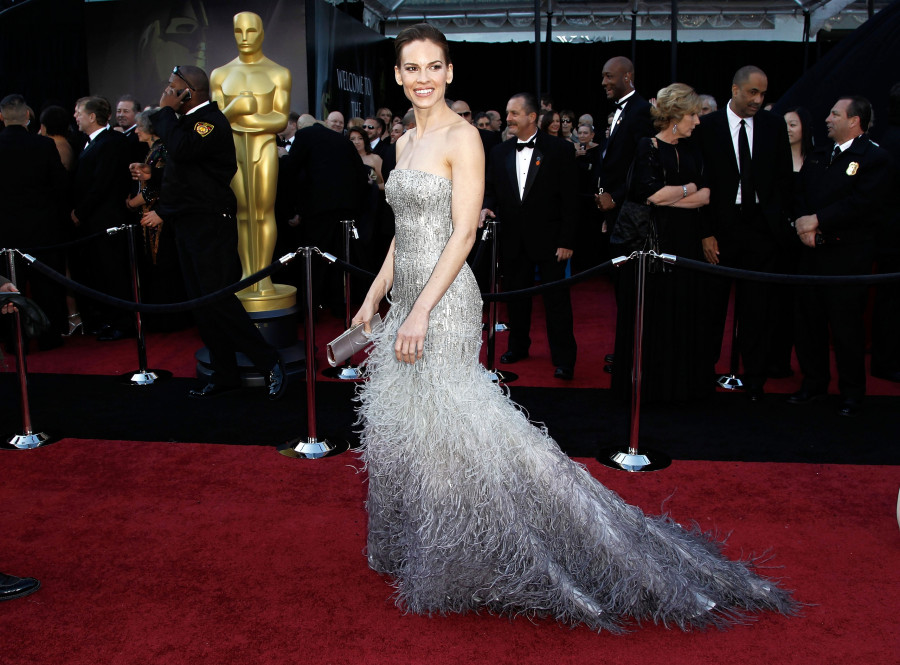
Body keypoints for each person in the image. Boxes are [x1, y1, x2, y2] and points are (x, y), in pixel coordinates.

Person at [350, 23, 795, 631]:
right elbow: (404, 233)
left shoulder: (465, 139)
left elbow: (460, 235)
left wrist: (424, 308)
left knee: (459, 420)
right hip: (406, 300)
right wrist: (374, 296)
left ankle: (496, 540)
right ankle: (431, 536)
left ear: (450, 72)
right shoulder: (403, 145)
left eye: (434, 67)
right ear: (398, 76)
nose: (423, 78)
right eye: (412, 68)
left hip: (446, 302)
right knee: (415, 424)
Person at [142, 65, 286, 400]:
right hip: (189, 224)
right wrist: (157, 190)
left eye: (172, 87)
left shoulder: (209, 122)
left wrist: (164, 109)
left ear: (188, 93)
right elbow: (185, 177)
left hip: (211, 225)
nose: (166, 92)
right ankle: (225, 375)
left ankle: (268, 361)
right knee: (202, 305)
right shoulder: (187, 124)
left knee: (218, 301)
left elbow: (181, 151)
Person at [695, 66, 794, 401]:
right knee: (710, 306)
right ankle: (703, 374)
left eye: (763, 94)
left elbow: (782, 179)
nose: (758, 100)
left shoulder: (773, 125)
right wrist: (706, 233)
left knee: (758, 307)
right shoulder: (707, 127)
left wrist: (777, 222)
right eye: (752, 92)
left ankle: (754, 378)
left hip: (761, 229)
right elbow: (701, 181)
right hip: (720, 228)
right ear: (735, 89)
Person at [790, 96, 893, 417]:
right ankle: (814, 382)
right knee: (809, 322)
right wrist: (804, 226)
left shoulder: (875, 158)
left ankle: (851, 392)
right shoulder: (819, 155)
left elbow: (863, 204)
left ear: (854, 121)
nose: (827, 119)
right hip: (810, 253)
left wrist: (818, 220)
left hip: (847, 257)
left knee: (846, 327)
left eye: (835, 114)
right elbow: (799, 193)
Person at [611, 84, 712, 403]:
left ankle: (679, 389)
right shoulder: (647, 146)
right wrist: (688, 190)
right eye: (693, 114)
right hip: (652, 247)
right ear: (675, 116)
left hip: (686, 245)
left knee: (683, 314)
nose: (697, 121)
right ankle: (648, 390)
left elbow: (707, 196)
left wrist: (676, 194)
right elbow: (652, 195)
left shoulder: (694, 150)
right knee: (651, 317)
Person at [483, 92, 578, 380]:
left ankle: (564, 358)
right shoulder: (499, 152)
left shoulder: (560, 149)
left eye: (514, 113)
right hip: (513, 238)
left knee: (556, 302)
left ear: (532, 117)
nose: (508, 118)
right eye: (508, 113)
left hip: (551, 241)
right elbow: (492, 189)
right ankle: (518, 346)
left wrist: (567, 240)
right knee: (516, 298)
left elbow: (571, 199)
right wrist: (488, 206)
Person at [210, 10, 291, 298]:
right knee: (243, 214)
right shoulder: (220, 74)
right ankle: (248, 274)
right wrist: (236, 111)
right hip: (232, 151)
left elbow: (280, 119)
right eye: (238, 32)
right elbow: (216, 120)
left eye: (251, 31)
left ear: (262, 33)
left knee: (263, 211)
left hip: (264, 148)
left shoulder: (278, 73)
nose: (244, 38)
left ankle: (264, 275)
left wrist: (244, 119)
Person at [0, 94, 69, 350]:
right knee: (47, 287)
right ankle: (49, 337)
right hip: (43, 230)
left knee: (8, 287)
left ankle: (11, 339)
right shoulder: (43, 145)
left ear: (1, 117)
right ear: (28, 116)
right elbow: (60, 185)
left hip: (5, 233)